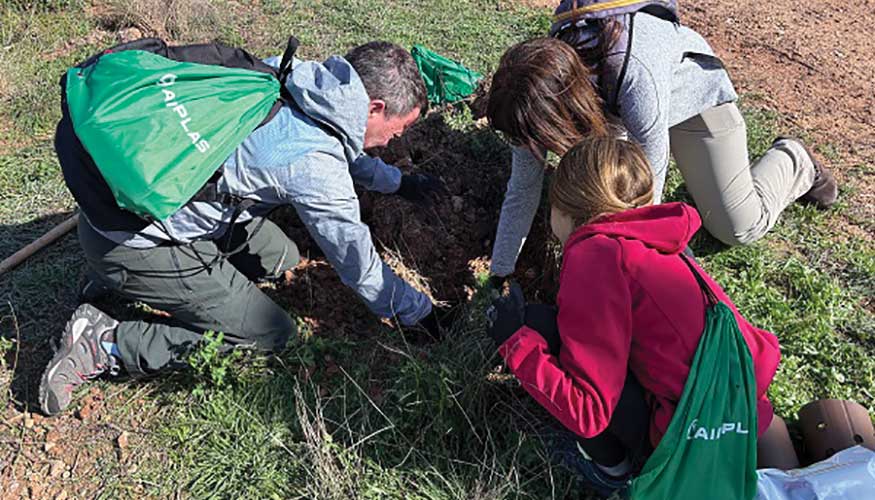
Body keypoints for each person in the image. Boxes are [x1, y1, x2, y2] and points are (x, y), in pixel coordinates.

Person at [39, 41, 447, 416]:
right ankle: (102, 342)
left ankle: (122, 280)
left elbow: (338, 144)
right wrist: (420, 314)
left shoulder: (294, 78)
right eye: (402, 126)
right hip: (133, 242)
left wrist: (397, 182)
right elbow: (359, 266)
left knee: (282, 257)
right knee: (271, 336)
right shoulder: (313, 169)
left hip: (133, 206)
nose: (397, 138)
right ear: (374, 107)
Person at [486, 137, 790, 496]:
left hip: (685, 440)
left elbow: (590, 410)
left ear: (565, 209)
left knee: (536, 325)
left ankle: (611, 469)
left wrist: (514, 342)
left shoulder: (595, 256)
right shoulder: (652, 240)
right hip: (737, 411)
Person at [486, 5, 838, 281]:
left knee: (738, 226)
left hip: (691, 100)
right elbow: (523, 188)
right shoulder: (528, 94)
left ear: (558, 114)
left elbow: (645, 196)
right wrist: (501, 273)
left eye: (543, 138)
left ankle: (794, 159)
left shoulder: (633, 72)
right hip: (611, 106)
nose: (539, 149)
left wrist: (619, 273)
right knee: (598, 192)